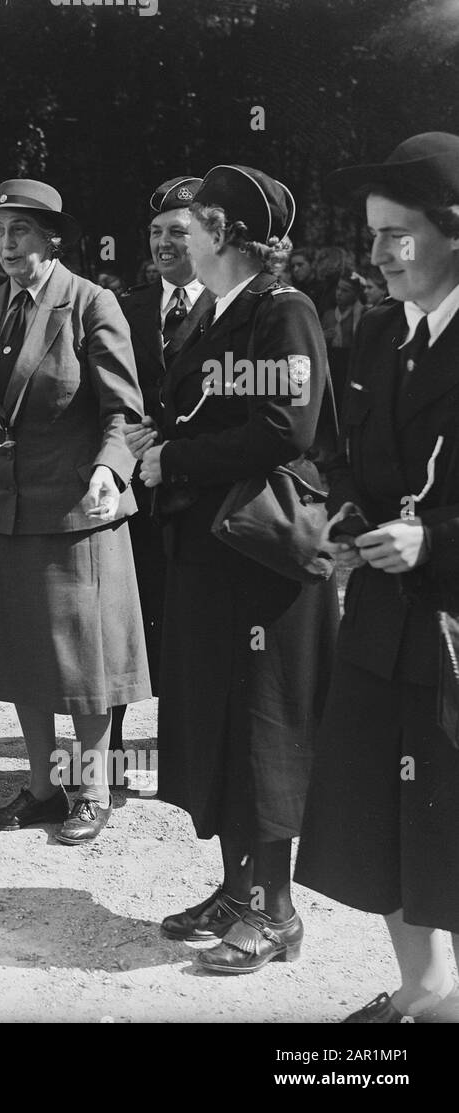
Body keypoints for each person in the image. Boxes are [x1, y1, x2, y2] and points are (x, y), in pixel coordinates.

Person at [131, 164, 339, 972]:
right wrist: (160, 446)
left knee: (264, 726)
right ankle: (236, 888)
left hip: (259, 558)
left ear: (225, 233)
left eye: (202, 220)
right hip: (213, 553)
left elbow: (288, 428)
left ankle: (277, 912)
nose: (189, 231)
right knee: (219, 720)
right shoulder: (220, 312)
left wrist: (175, 457)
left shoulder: (282, 312)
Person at [296, 132, 459, 1023]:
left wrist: (433, 539)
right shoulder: (370, 334)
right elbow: (348, 459)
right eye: (372, 234)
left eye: (398, 233)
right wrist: (349, 521)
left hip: (450, 627)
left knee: (450, 816)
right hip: (384, 620)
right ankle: (427, 992)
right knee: (383, 814)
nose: (379, 253)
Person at [0, 178, 149, 845]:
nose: (5, 244)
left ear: (53, 238)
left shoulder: (91, 304)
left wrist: (108, 470)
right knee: (22, 654)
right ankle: (40, 789)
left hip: (75, 513)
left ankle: (92, 788)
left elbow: (126, 412)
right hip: (0, 515)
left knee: (84, 662)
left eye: (19, 231)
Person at [115, 176, 214, 771]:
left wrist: (173, 441)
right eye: (156, 233)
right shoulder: (126, 306)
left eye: (178, 232)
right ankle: (115, 747)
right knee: (129, 613)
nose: (164, 244)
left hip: (196, 489)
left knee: (191, 619)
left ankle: (184, 746)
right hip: (136, 489)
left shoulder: (235, 308)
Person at [321, 270, 366, 400]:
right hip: (331, 362)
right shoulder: (329, 315)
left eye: (345, 291)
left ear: (356, 294)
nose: (339, 293)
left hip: (348, 362)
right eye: (338, 289)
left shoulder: (361, 314)